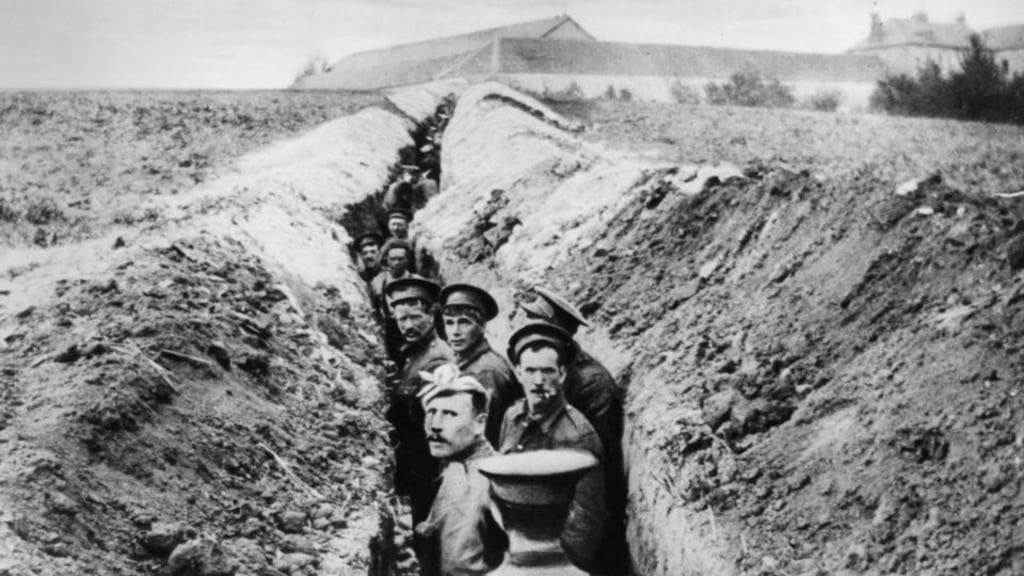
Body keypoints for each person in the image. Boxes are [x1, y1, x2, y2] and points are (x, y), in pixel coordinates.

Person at [520, 287, 628, 574]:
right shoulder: (547, 368)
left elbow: (597, 466)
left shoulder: (594, 386)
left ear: (557, 334)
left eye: (534, 324)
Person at [498, 322, 606, 573]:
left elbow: (586, 521)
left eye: (547, 371)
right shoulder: (512, 416)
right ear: (517, 372)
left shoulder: (577, 436)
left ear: (563, 373)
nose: (538, 381)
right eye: (530, 370)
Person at [384, 278, 454, 576]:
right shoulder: (415, 351)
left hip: (430, 464)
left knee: (430, 536)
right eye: (401, 319)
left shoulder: (437, 357)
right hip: (418, 461)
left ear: (431, 315)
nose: (407, 324)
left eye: (415, 316)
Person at [415, 365, 505, 576]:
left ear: (479, 423)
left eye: (449, 414)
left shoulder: (474, 482)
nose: (435, 425)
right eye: (431, 412)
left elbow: (458, 568)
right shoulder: (459, 464)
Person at [438, 283, 521, 446]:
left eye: (464, 322)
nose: (455, 331)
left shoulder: (486, 373)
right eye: (449, 322)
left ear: (481, 326)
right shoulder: (467, 361)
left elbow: (484, 437)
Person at [370, 239, 420, 361]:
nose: (397, 262)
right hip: (391, 328)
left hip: (414, 325)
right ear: (387, 260)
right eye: (393, 259)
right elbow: (374, 308)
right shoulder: (378, 282)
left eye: (400, 259)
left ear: (407, 260)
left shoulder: (418, 282)